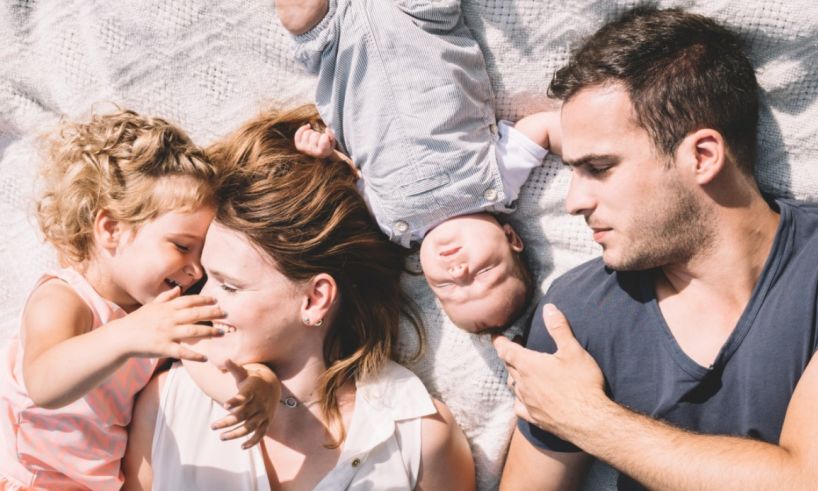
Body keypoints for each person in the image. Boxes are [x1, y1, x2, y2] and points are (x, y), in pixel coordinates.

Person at [493, 6, 818, 490]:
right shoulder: (575, 315)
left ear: (702, 156)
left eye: (599, 167)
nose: (574, 201)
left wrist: (589, 420)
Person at [122, 106, 476, 490]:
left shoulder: (415, 436)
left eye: (230, 285)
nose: (202, 299)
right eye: (208, 277)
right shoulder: (167, 407)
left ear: (315, 299)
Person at [0, 109, 280, 490]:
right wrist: (130, 333)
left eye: (202, 255)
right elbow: (44, 385)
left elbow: (214, 364)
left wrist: (259, 384)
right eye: (182, 246)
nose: (196, 270)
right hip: (23, 476)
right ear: (112, 229)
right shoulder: (65, 297)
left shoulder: (159, 313)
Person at [276, 0, 562, 333]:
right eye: (483, 273)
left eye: (448, 289)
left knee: (298, 13)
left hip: (340, 48)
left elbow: (350, 176)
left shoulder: (390, 225)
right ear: (510, 237)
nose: (458, 272)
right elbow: (545, 129)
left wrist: (324, 154)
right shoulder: (499, 181)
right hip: (421, 21)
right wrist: (594, 153)